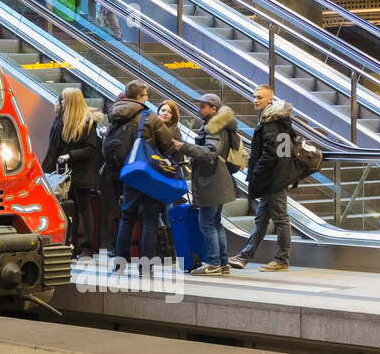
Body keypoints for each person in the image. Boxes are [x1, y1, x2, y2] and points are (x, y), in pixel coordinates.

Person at [102, 80, 177, 262]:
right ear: (139, 97)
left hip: (127, 174)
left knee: (127, 218)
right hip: (147, 175)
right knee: (150, 220)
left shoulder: (115, 115)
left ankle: (120, 263)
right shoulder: (149, 117)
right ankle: (146, 266)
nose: (147, 98)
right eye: (146, 95)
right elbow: (168, 146)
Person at [172, 93, 239, 276]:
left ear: (213, 109)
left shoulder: (214, 127)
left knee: (207, 223)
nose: (199, 109)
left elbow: (210, 152)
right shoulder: (220, 125)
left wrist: (183, 147)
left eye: (203, 106)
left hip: (212, 181)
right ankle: (223, 262)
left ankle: (214, 263)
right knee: (215, 223)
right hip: (218, 179)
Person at [229, 85, 294, 272]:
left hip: (274, 179)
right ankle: (244, 257)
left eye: (259, 97)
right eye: (254, 97)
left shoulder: (272, 122)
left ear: (270, 100)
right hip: (275, 177)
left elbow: (270, 154)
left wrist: (257, 173)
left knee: (281, 219)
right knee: (261, 219)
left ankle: (282, 260)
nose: (255, 100)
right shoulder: (277, 120)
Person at [42, 87, 103, 255]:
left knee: (83, 208)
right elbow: (54, 146)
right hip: (66, 173)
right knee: (71, 209)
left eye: (63, 100)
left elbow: (91, 149)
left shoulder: (87, 122)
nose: (60, 102)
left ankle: (87, 246)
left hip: (81, 173)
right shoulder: (62, 120)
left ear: (70, 102)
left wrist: (70, 155)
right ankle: (72, 243)